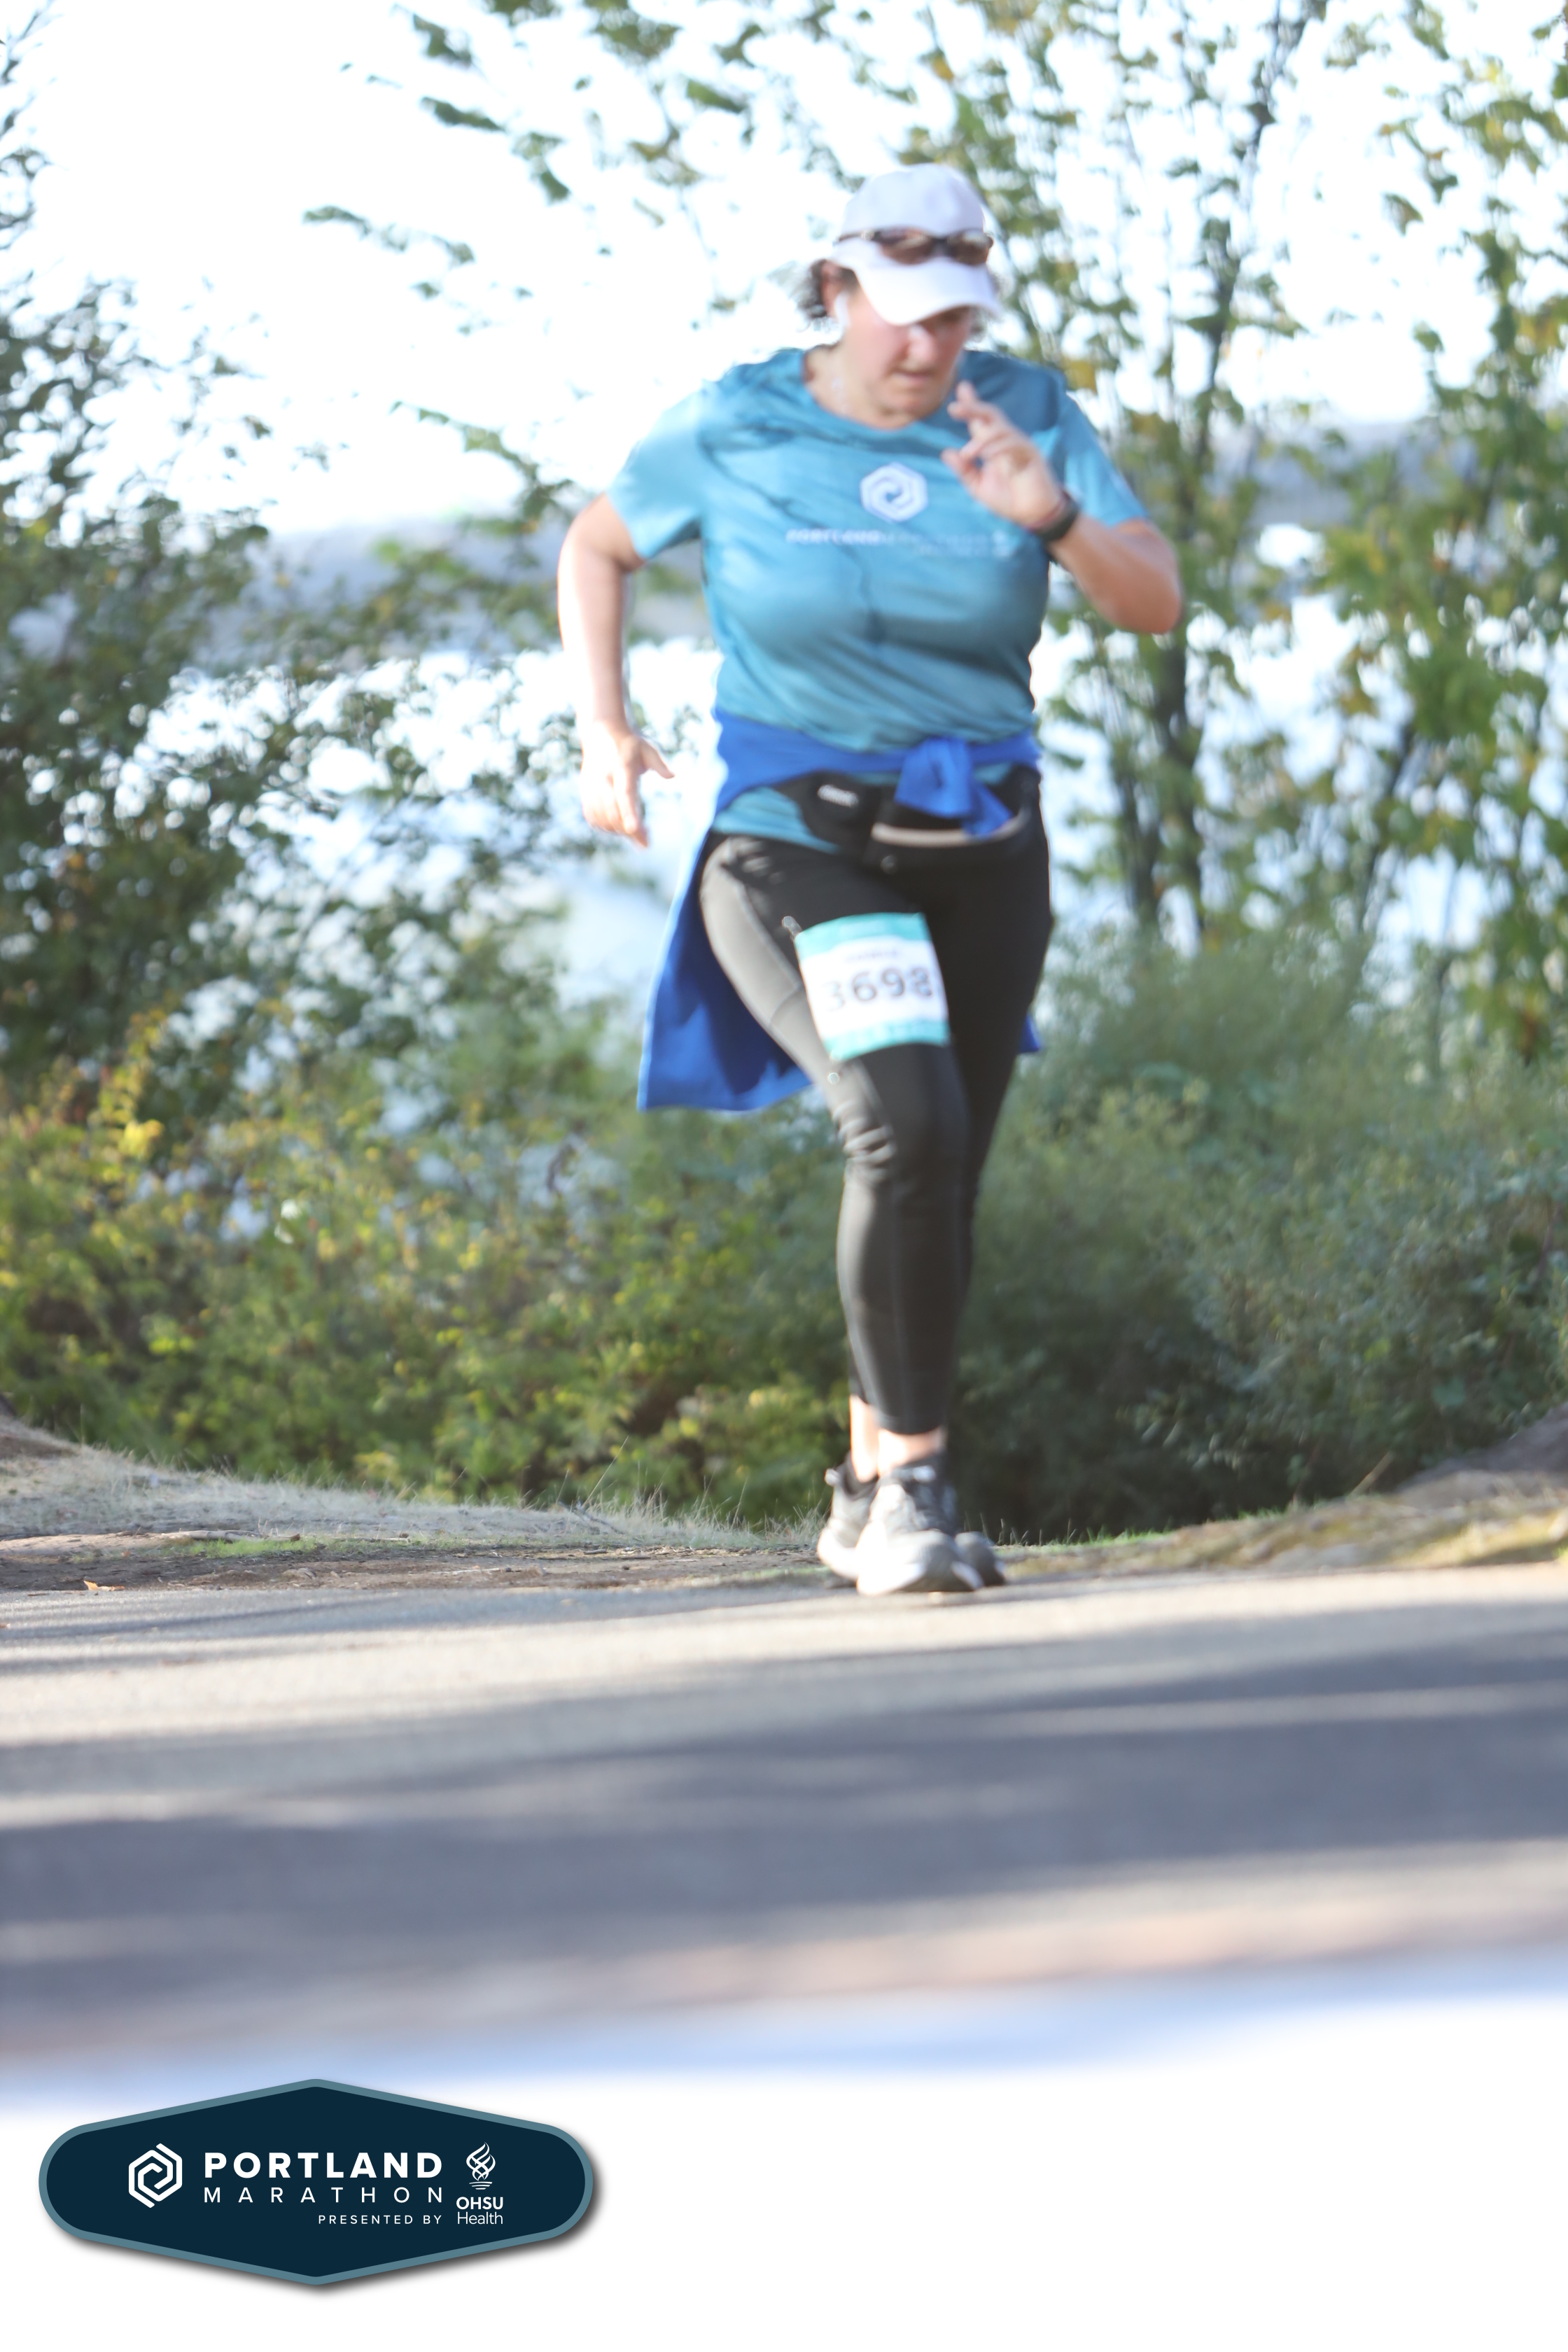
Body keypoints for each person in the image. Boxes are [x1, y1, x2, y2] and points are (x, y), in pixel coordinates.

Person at [558, 163, 1181, 1597]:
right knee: (901, 1118)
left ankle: (860, 1483)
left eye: (956, 317)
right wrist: (603, 722)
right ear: (835, 288)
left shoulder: (1026, 412)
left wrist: (1053, 518)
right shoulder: (737, 421)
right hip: (799, 840)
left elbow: (1152, 600)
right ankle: (914, 1490)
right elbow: (598, 543)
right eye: (903, 312)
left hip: (986, 846)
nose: (929, 344)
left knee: (942, 1170)